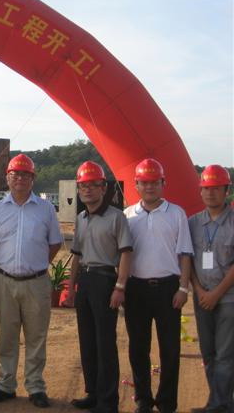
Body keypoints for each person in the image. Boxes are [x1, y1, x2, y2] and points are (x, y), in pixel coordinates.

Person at [0, 153, 63, 407]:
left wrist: (36, 264)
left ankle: (36, 386)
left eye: (25, 174)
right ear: (7, 178)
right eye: (15, 174)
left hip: (36, 282)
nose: (20, 178)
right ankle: (5, 384)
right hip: (4, 281)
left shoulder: (46, 209)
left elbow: (55, 243)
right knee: (7, 335)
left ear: (33, 178)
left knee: (36, 337)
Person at [123, 158, 193, 413]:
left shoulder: (176, 213)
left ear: (163, 183)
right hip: (136, 290)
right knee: (138, 348)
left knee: (170, 349)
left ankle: (166, 402)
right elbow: (122, 255)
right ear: (136, 185)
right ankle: (143, 399)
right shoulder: (128, 215)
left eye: (154, 182)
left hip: (168, 289)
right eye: (144, 182)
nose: (149, 187)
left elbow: (185, 254)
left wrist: (183, 288)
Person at [64, 160, 133, 413]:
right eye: (83, 185)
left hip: (105, 281)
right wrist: (71, 289)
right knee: (87, 340)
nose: (88, 190)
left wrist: (120, 287)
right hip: (85, 281)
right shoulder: (81, 218)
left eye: (93, 185)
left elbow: (126, 253)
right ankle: (92, 393)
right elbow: (76, 256)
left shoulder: (116, 217)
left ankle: (108, 400)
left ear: (103, 188)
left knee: (105, 343)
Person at [188, 165, 234, 413]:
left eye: (216, 188)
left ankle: (219, 404)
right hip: (202, 297)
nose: (210, 193)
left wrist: (216, 293)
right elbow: (187, 260)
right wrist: (198, 290)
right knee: (208, 352)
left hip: (228, 298)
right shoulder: (193, 223)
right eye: (206, 188)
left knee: (225, 354)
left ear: (226, 191)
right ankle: (219, 403)